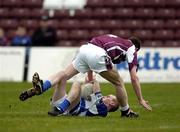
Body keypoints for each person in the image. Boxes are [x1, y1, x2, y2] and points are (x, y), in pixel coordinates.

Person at [19, 34, 152, 118]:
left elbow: (92, 62)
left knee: (64, 74)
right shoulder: (132, 48)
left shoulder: (116, 38)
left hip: (86, 48)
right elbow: (134, 77)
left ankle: (43, 87)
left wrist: (91, 75)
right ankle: (126, 111)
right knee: (119, 83)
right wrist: (140, 99)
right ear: (136, 48)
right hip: (97, 53)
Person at [48, 73, 119, 117]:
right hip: (67, 103)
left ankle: (61, 108)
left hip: (72, 109)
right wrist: (86, 82)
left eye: (108, 97)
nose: (105, 96)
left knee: (77, 84)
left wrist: (94, 80)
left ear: (112, 103)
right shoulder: (96, 102)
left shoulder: (103, 110)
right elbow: (81, 93)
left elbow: (96, 91)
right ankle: (42, 87)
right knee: (62, 75)